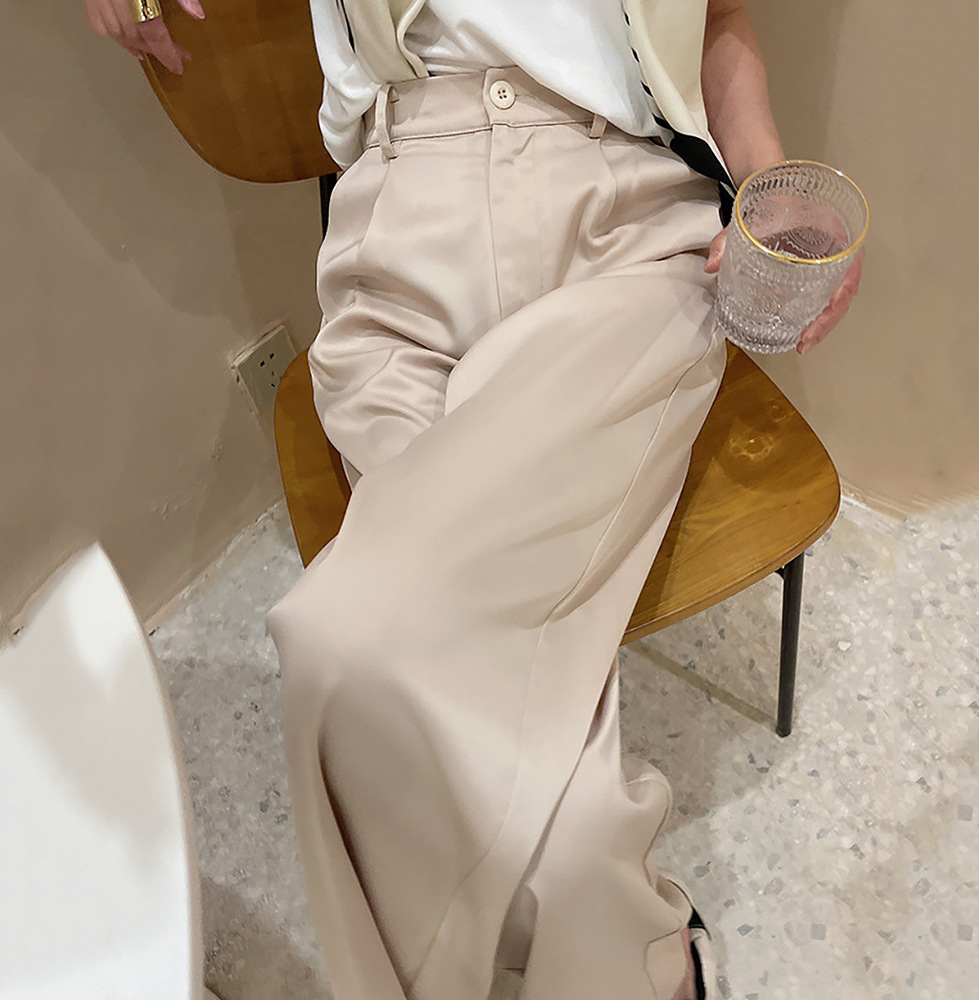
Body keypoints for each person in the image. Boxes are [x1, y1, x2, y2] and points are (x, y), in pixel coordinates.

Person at [90, 2, 862, 999]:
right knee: (536, 814)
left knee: (344, 648)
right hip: (397, 242)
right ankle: (659, 967)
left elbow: (715, 17)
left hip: (627, 228)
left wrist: (767, 178)